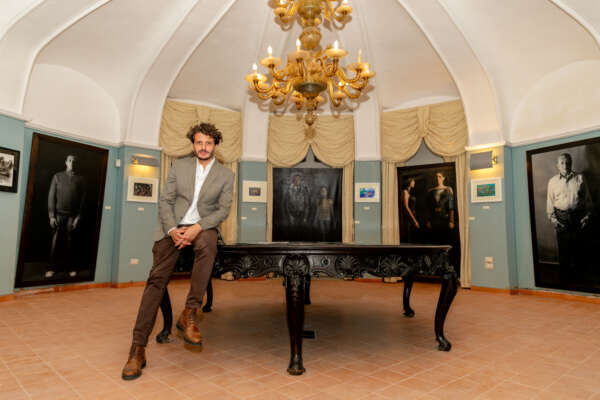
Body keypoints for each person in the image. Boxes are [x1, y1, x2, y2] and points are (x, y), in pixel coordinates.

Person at [121, 122, 234, 381]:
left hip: (202, 227)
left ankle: (190, 312)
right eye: (199, 142)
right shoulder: (179, 166)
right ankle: (137, 349)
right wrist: (173, 230)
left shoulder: (226, 175)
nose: (203, 147)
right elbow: (166, 201)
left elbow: (223, 210)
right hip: (172, 227)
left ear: (215, 145)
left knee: (208, 244)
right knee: (155, 280)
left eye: (208, 143)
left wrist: (197, 228)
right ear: (193, 144)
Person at [546, 153, 592, 282]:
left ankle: (580, 281)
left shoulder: (580, 178)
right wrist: (554, 220)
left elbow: (588, 200)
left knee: (579, 250)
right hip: (561, 218)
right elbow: (550, 203)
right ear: (557, 165)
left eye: (567, 162)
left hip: (578, 217)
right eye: (562, 162)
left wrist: (587, 217)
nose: (565, 165)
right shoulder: (552, 182)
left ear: (571, 163)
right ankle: (565, 280)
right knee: (564, 251)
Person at [47, 154, 85, 278]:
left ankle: (71, 268)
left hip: (72, 216)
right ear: (66, 162)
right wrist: (51, 216)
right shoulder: (57, 176)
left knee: (70, 242)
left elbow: (82, 200)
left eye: (74, 161)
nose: (72, 163)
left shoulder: (80, 179)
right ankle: (51, 268)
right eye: (69, 160)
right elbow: (51, 197)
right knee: (55, 242)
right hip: (58, 214)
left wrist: (78, 217)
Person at [401, 178, 420, 243]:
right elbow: (406, 207)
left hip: (411, 216)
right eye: (413, 181)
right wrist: (414, 220)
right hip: (408, 218)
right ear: (409, 182)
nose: (414, 183)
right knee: (408, 236)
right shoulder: (405, 192)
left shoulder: (408, 192)